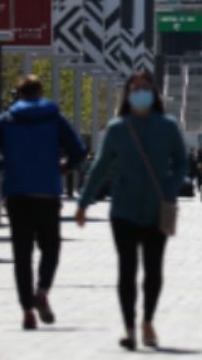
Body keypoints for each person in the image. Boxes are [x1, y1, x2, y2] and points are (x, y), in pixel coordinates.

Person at [76, 70, 187, 351]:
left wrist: (170, 190)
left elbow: (182, 163)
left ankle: (147, 320)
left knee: (153, 269)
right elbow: (100, 167)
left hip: (156, 208)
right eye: (134, 88)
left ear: (154, 93)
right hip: (123, 210)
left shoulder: (168, 126)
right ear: (127, 94)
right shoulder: (117, 128)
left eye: (145, 88)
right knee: (127, 270)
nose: (139, 93)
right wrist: (84, 202)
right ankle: (129, 327)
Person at [0, 75, 87, 330]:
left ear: (18, 94)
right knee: (51, 247)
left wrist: (4, 167)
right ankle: (42, 290)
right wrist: (64, 167)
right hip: (47, 193)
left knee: (22, 255)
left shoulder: (6, 120)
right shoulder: (55, 119)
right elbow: (79, 151)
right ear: (40, 93)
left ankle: (27, 310)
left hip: (17, 195)